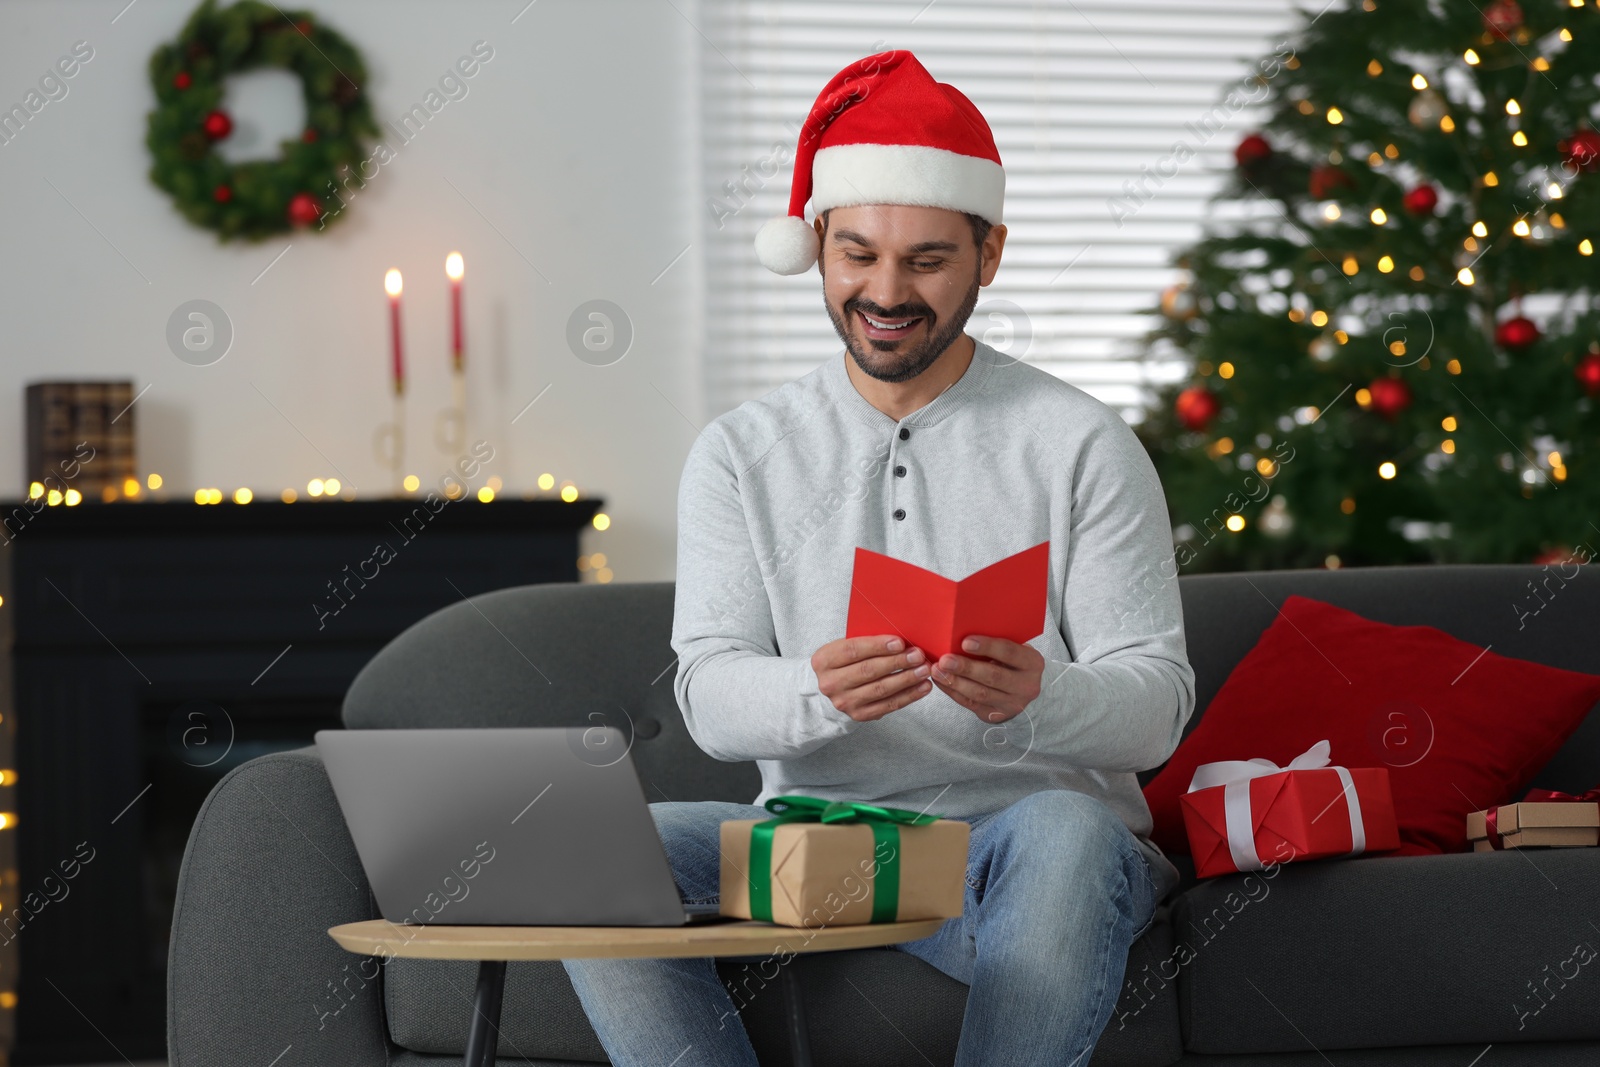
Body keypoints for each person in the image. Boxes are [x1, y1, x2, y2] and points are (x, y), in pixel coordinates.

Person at [563, 48, 1195, 1066]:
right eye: (856, 254)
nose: (886, 291)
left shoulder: (1080, 442)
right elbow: (711, 694)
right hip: (826, 845)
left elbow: (1157, 704)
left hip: (1028, 853)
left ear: (988, 255)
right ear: (816, 245)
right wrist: (815, 689)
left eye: (927, 260)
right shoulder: (740, 451)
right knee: (595, 850)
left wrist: (1040, 695)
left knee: (1067, 833)